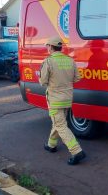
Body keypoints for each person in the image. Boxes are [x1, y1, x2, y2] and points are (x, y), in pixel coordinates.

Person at [39, 36, 86, 165]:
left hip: (55, 99)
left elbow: (43, 82)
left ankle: (76, 151)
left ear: (50, 47)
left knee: (60, 125)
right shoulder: (70, 60)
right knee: (58, 123)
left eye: (47, 46)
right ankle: (51, 145)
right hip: (67, 98)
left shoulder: (48, 61)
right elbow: (77, 78)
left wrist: (40, 76)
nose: (47, 48)